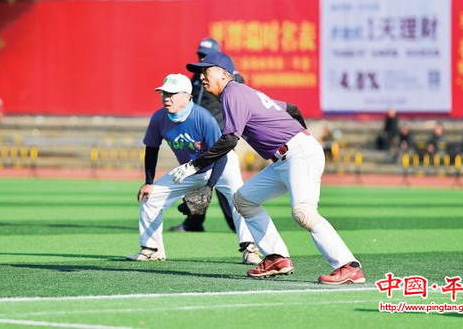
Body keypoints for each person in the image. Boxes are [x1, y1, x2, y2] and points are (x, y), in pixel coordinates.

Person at [170, 52, 364, 284]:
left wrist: (195, 165)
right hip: (288, 157)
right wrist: (301, 136)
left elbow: (230, 140)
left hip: (297, 152)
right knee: (243, 199)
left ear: (224, 73)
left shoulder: (232, 92)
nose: (201, 76)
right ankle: (276, 258)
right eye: (200, 72)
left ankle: (348, 265)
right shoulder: (242, 93)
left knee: (303, 213)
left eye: (206, 70)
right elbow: (291, 109)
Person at [126, 73, 260, 265]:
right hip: (189, 169)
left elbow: (220, 154)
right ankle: (151, 249)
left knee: (240, 200)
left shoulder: (203, 118)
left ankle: (249, 249)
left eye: (172, 93)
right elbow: (152, 149)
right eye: (163, 93)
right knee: (151, 197)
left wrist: (209, 186)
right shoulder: (159, 118)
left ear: (187, 95)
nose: (166, 97)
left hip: (222, 164)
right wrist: (148, 182)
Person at [170, 38, 243, 233]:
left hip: (221, 135)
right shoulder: (196, 78)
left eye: (206, 55)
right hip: (198, 137)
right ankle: (193, 223)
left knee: (224, 183)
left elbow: (238, 99)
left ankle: (237, 226)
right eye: (200, 54)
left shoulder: (230, 78)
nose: (202, 58)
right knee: (198, 177)